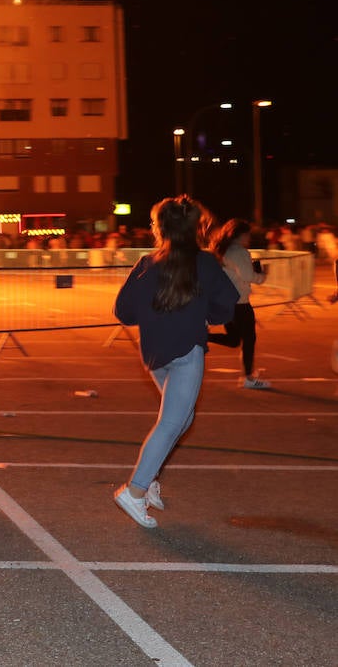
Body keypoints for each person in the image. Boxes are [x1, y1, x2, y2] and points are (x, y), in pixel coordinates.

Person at [112, 196, 238, 528]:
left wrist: (155, 313)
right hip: (185, 351)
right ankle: (135, 491)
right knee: (172, 423)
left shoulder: (146, 263)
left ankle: (149, 477)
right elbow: (227, 305)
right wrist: (204, 313)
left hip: (154, 354)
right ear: (197, 227)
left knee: (182, 418)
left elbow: (123, 312)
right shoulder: (206, 263)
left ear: (161, 228)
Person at [207, 219, 270, 389]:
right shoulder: (240, 252)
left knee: (234, 339)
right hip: (240, 302)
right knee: (249, 339)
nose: (249, 238)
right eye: (248, 234)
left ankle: (203, 336)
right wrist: (263, 275)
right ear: (240, 235)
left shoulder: (221, 250)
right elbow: (248, 276)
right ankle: (248, 377)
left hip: (226, 301)